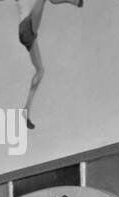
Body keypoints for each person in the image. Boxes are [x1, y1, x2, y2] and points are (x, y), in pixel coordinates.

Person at [13, 0, 85, 129]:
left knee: (40, 71)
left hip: (27, 34)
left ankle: (25, 111)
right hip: (26, 26)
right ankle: (74, 1)